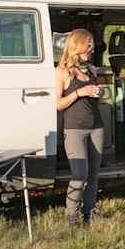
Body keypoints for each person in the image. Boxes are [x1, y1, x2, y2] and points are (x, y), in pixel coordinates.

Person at [54, 29, 104, 227]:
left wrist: (98, 93)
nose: (91, 49)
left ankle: (89, 212)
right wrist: (79, 93)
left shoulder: (91, 70)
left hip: (96, 127)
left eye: (92, 45)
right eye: (88, 45)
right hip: (74, 129)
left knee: (93, 175)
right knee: (79, 174)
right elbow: (58, 104)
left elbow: (96, 101)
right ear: (77, 46)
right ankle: (71, 215)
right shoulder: (62, 72)